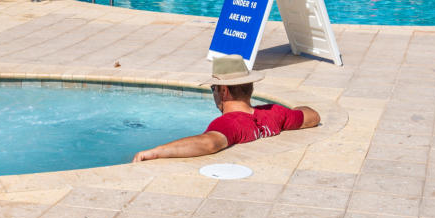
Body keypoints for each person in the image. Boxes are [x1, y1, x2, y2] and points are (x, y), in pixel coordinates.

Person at [132, 55, 320, 162]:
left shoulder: (229, 122)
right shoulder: (273, 113)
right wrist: (293, 110)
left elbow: (209, 143)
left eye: (213, 88)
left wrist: (153, 152)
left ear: (223, 91)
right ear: (250, 87)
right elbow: (313, 116)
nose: (213, 93)